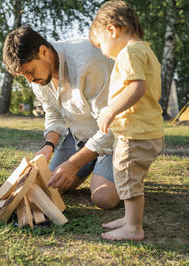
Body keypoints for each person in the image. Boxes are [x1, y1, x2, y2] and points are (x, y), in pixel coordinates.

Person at [3, 26, 120, 210]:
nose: (29, 80)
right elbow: (54, 115)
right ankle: (96, 166)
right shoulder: (39, 77)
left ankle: (130, 168)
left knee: (104, 198)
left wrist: (73, 164)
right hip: (81, 135)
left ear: (43, 51)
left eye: (30, 71)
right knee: (52, 184)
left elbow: (111, 127)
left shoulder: (88, 63)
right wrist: (48, 146)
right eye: (24, 75)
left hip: (117, 137)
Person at [89, 0, 164, 241]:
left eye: (100, 44)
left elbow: (137, 88)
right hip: (148, 130)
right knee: (132, 178)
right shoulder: (146, 50)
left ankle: (134, 227)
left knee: (127, 176)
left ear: (112, 30)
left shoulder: (129, 53)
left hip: (135, 133)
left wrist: (110, 111)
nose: (102, 51)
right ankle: (130, 218)